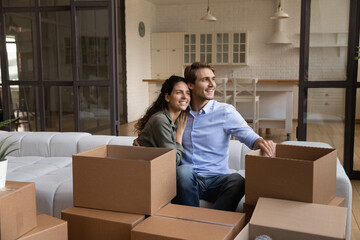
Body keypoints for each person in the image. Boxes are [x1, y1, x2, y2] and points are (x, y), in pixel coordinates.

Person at [173, 62, 275, 212]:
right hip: (189, 179)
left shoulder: (225, 111)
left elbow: (249, 136)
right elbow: (158, 126)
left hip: (217, 179)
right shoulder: (179, 112)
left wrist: (261, 142)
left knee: (238, 180)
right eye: (205, 80)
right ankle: (192, 222)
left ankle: (215, 223)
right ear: (191, 85)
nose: (212, 84)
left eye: (213, 79)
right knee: (183, 171)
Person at [135, 75, 190, 166]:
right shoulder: (161, 120)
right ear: (167, 97)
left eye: (188, 93)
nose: (185, 97)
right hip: (146, 171)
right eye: (179, 92)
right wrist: (179, 134)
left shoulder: (179, 120)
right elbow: (173, 161)